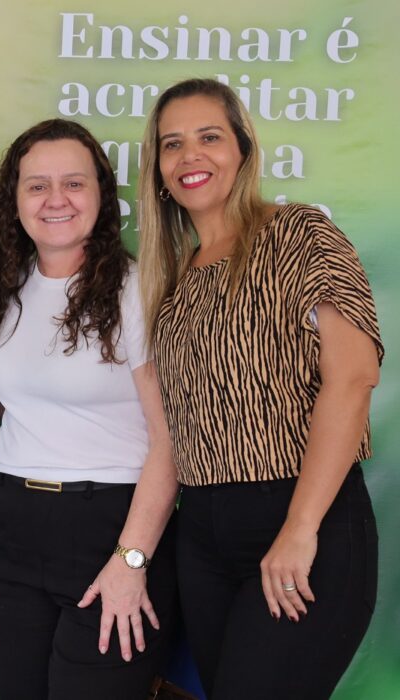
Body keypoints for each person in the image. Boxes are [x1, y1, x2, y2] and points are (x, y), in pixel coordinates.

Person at [138, 78, 382, 699]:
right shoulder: (173, 279)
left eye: (209, 137)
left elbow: (353, 378)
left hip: (303, 517)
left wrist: (300, 528)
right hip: (203, 537)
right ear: (158, 170)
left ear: (243, 149)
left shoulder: (300, 234)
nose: (190, 156)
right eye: (172, 144)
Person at [0, 119, 178, 699]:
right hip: (14, 522)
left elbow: (170, 440)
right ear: (15, 200)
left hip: (110, 524)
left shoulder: (136, 290)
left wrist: (131, 559)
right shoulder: (6, 288)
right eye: (37, 185)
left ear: (101, 195)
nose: (55, 199)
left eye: (74, 183)